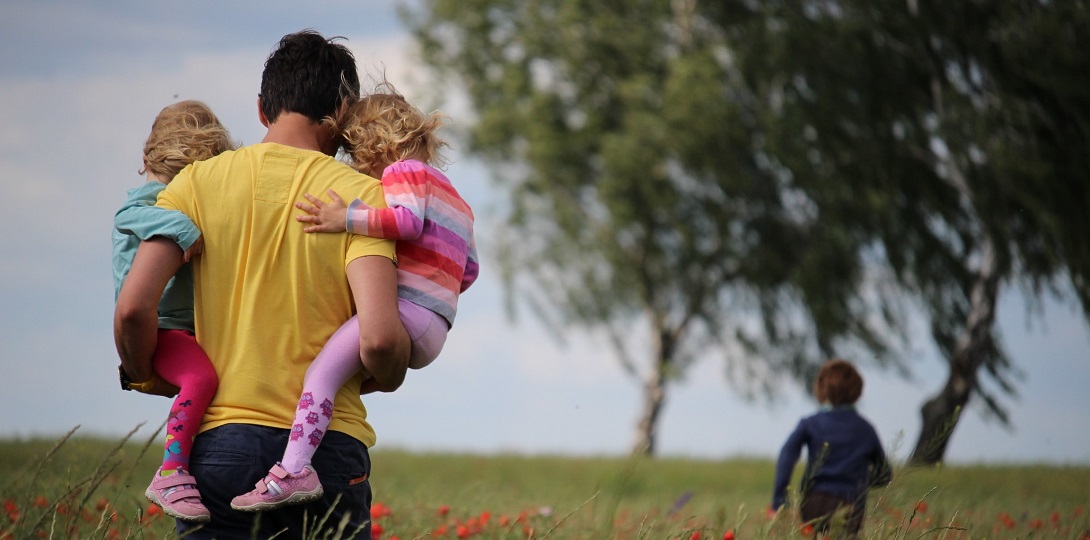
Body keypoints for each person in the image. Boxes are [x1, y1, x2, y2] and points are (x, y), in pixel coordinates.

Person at [114, 30, 410, 539]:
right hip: (327, 452)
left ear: (260, 109)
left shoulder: (193, 184)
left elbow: (133, 310)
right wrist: (387, 372)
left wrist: (146, 373)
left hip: (219, 446)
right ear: (343, 113)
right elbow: (380, 337)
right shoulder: (363, 200)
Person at [230, 88, 480, 511]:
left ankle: (293, 470)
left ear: (375, 144)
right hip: (437, 325)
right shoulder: (457, 199)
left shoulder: (403, 173)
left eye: (355, 153)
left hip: (406, 313)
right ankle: (308, 447)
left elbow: (405, 221)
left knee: (320, 376)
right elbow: (469, 270)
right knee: (342, 378)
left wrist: (343, 217)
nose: (358, 166)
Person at [112, 100, 236, 523]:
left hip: (183, 328)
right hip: (163, 328)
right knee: (201, 378)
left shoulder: (170, 195)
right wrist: (183, 228)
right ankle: (172, 471)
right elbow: (128, 215)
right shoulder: (151, 200)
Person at [770, 359, 892, 539]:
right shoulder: (866, 429)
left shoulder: (811, 424)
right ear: (857, 391)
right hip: (851, 504)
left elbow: (786, 455)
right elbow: (884, 474)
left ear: (821, 389)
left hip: (814, 501)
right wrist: (859, 482)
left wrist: (779, 500)